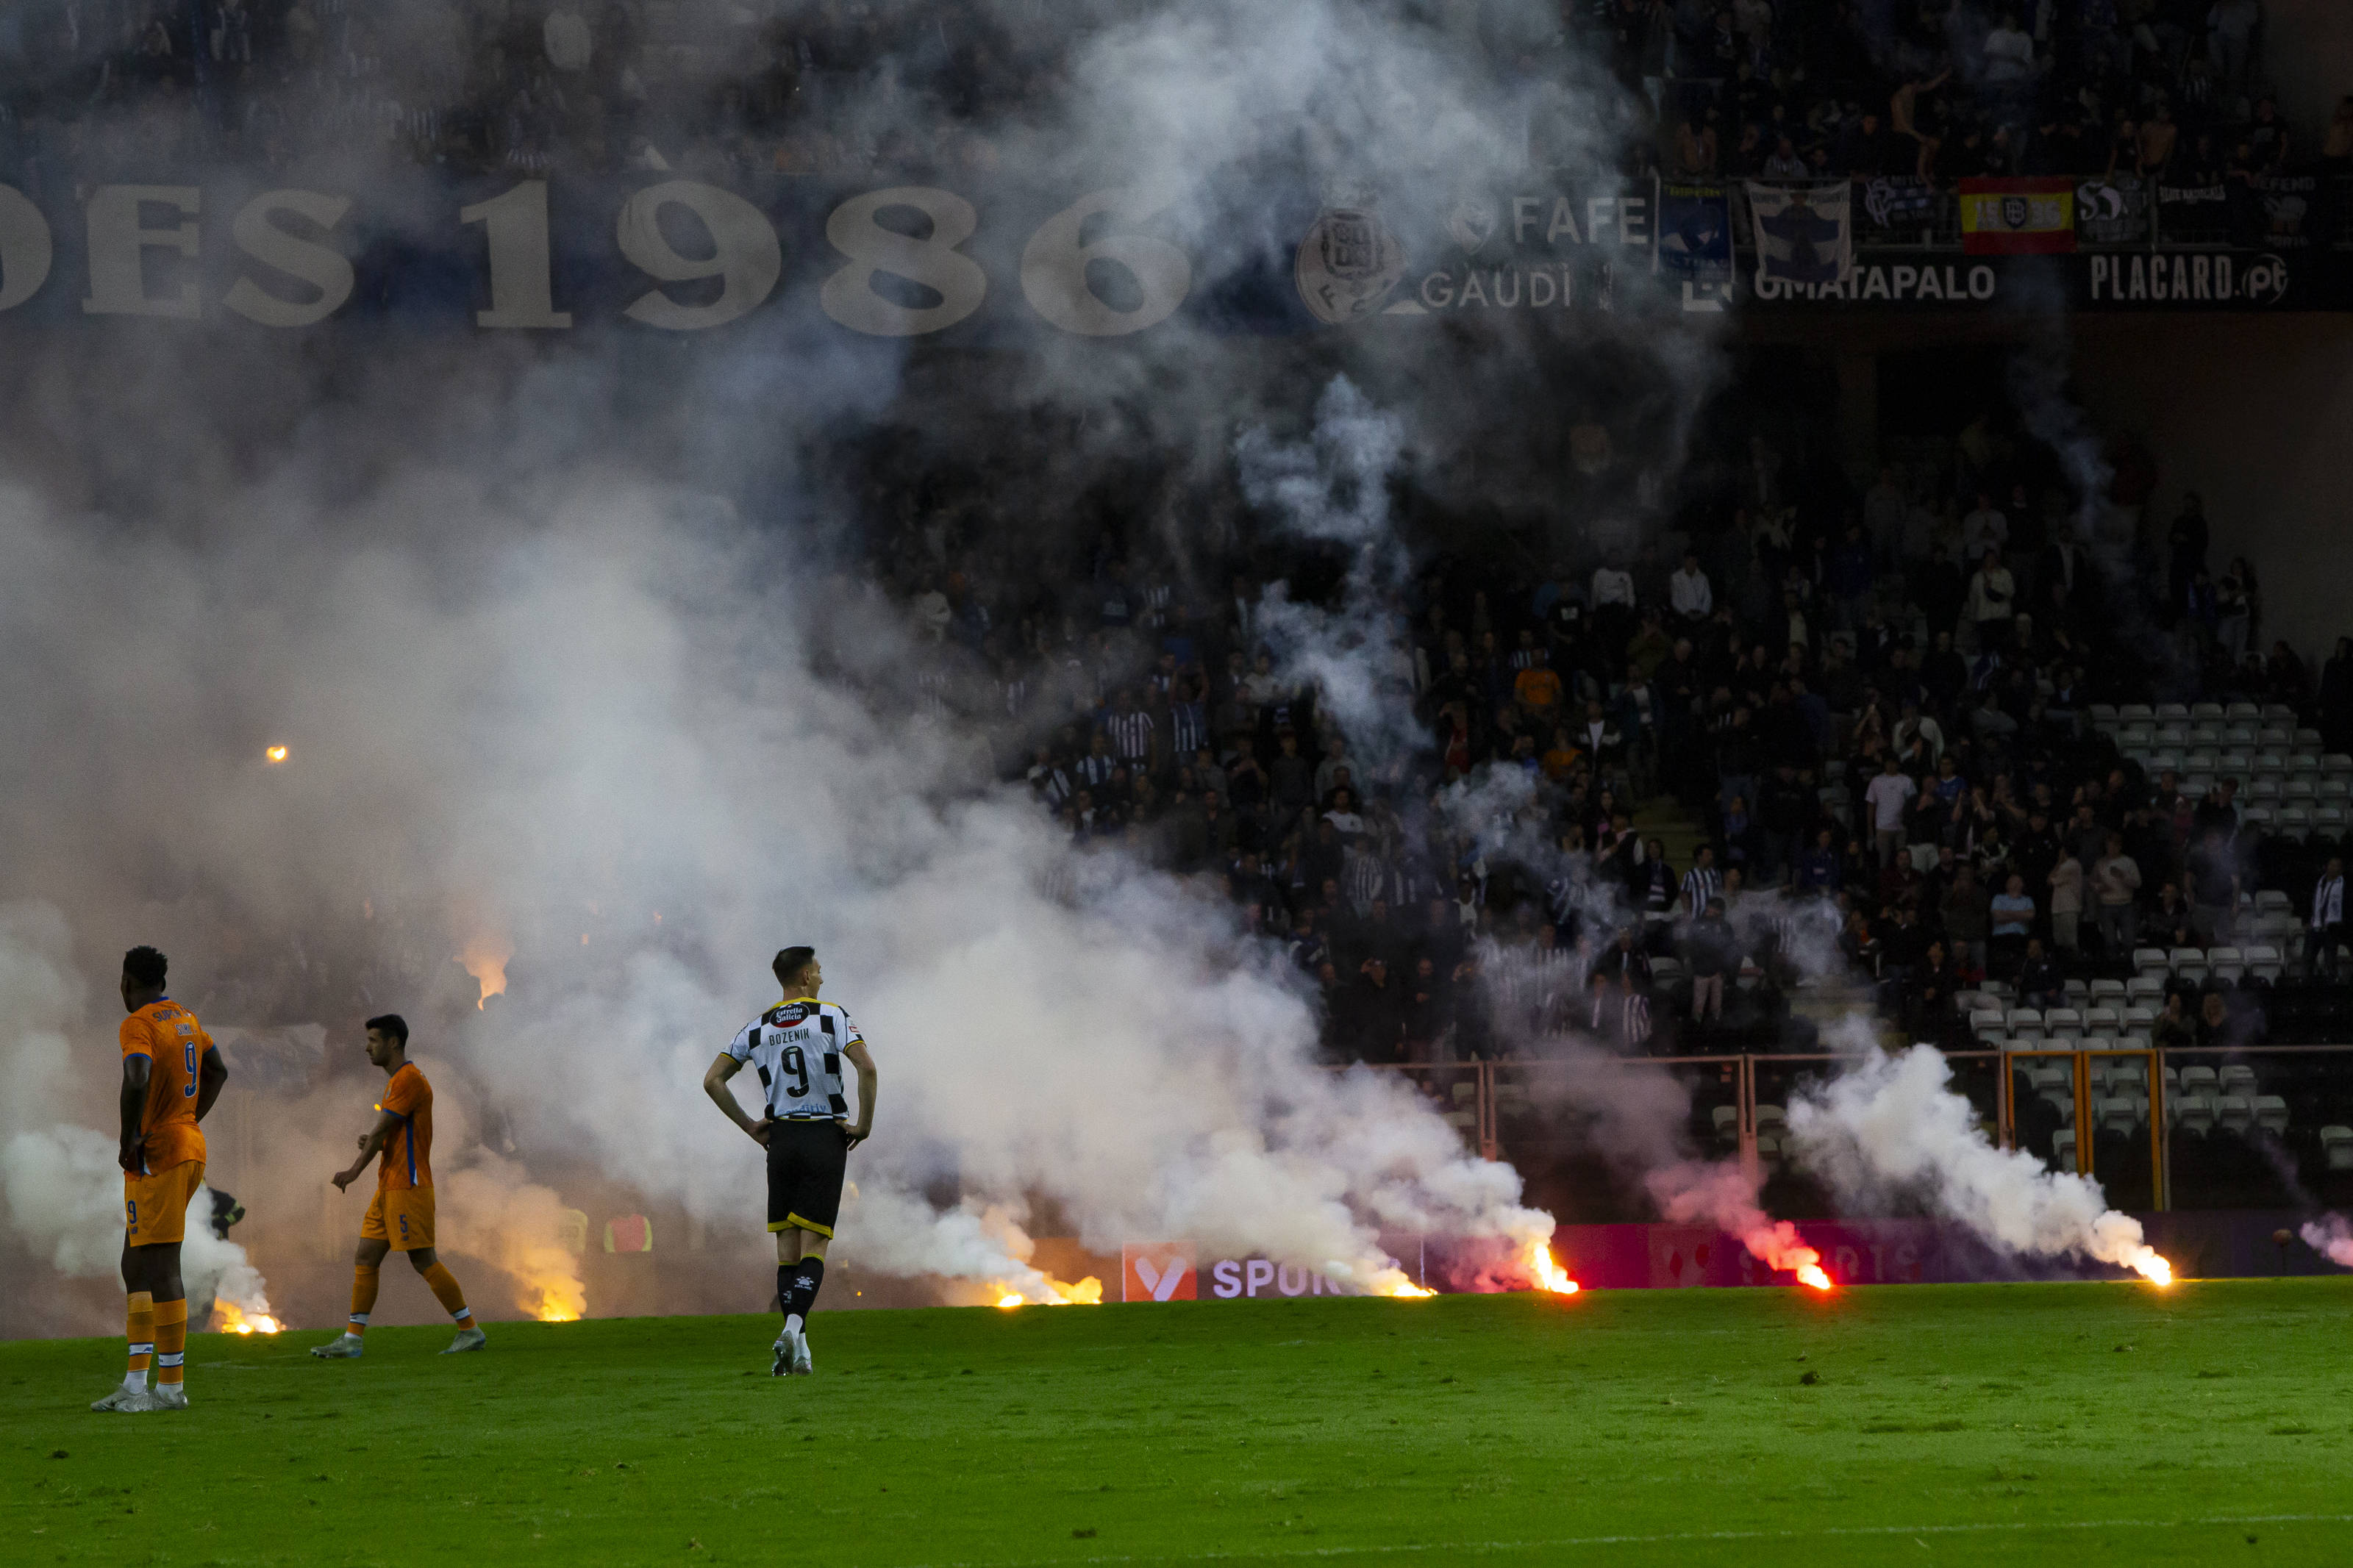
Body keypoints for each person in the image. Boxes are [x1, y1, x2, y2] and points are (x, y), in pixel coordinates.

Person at [702, 947, 879, 1377]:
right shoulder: (831, 1016)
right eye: (818, 969)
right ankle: (794, 1327)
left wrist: (750, 1126)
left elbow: (712, 1081)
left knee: (786, 1252)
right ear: (804, 976)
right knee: (816, 1245)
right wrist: (864, 1125)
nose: (822, 974)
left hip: (780, 1142)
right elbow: (867, 1070)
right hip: (823, 1135)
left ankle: (799, 1350)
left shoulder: (758, 1027)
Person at [92, 947, 227, 1413]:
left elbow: (136, 1076)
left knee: (162, 1268)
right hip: (180, 1147)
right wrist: (188, 1120)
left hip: (160, 1155)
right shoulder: (186, 1018)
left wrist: (131, 1136)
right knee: (135, 1263)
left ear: (127, 982)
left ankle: (170, 1388)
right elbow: (218, 1070)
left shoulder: (140, 1024)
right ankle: (134, 1384)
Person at [310, 1015, 485, 1360]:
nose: (367, 1047)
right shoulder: (397, 1082)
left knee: (423, 1260)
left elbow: (380, 1132)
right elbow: (387, 1133)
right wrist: (374, 1142)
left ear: (393, 1043)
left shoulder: (408, 1079)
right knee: (365, 1256)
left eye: (374, 1040)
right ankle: (352, 1339)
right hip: (389, 1185)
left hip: (408, 1185)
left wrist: (354, 1170)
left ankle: (469, 1329)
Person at [1864, 756, 1917, 867]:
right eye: (1888, 763)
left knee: (1903, 862)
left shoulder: (1906, 781)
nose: (1891, 766)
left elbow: (1913, 804)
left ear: (1898, 764)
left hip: (1901, 828)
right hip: (1883, 828)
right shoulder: (1876, 781)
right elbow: (1871, 805)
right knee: (1883, 862)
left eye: (1893, 763)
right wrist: (1870, 827)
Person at [2310, 857, 2346, 979]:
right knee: (2308, 960)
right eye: (2331, 865)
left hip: (2331, 928)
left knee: (2330, 961)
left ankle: (2332, 988)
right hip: (2315, 927)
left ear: (2341, 869)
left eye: (2336, 866)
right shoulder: (2319, 882)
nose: (2332, 868)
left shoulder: (2344, 885)